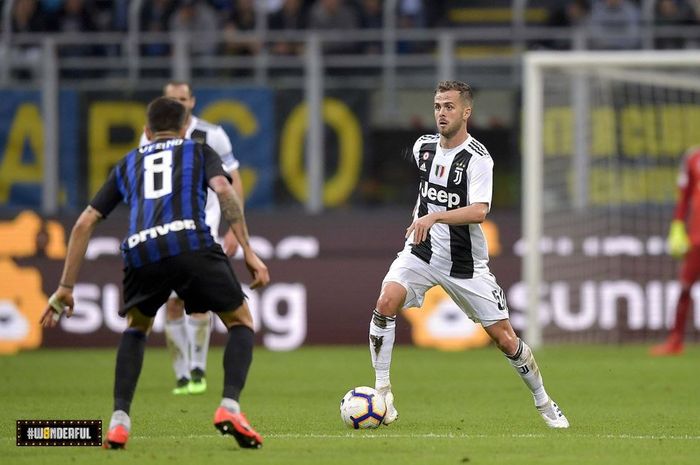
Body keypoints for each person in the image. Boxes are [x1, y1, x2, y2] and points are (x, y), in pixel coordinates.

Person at [40, 97, 269, 449]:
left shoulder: (128, 162)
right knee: (241, 321)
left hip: (142, 249)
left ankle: (119, 422)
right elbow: (224, 190)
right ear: (184, 126)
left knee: (136, 328)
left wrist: (65, 287)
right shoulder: (199, 149)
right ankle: (229, 407)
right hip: (192, 243)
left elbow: (85, 222)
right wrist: (248, 250)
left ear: (147, 131)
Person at [367, 80, 569, 429]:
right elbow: (414, 171)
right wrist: (420, 215)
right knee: (386, 301)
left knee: (505, 338)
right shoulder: (423, 147)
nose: (441, 113)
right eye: (437, 106)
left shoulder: (478, 159)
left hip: (465, 265)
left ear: (466, 111)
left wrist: (434, 215)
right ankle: (382, 390)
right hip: (421, 252)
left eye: (448, 106)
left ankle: (544, 401)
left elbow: (479, 211)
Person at [140, 81, 244, 396]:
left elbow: (233, 181)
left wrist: (234, 229)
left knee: (198, 301)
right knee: (172, 304)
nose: (179, 104)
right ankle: (182, 373)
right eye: (173, 99)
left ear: (192, 101)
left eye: (183, 99)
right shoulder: (150, 138)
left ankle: (198, 369)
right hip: (166, 231)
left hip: (205, 229)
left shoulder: (212, 135)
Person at [650, 146, 700, 356]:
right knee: (685, 287)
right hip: (696, 237)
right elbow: (684, 196)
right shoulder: (693, 158)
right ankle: (675, 340)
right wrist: (677, 226)